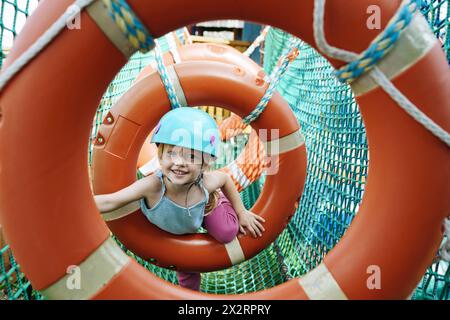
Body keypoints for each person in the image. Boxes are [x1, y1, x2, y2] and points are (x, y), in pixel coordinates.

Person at [94, 107, 265, 291]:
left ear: (204, 163)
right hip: (174, 234)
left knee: (227, 232)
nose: (179, 163)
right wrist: (75, 208)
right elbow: (111, 201)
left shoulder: (205, 183)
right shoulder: (152, 186)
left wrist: (241, 212)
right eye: (171, 153)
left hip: (202, 208)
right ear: (159, 156)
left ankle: (216, 201)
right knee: (187, 278)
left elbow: (225, 179)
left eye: (191, 156)